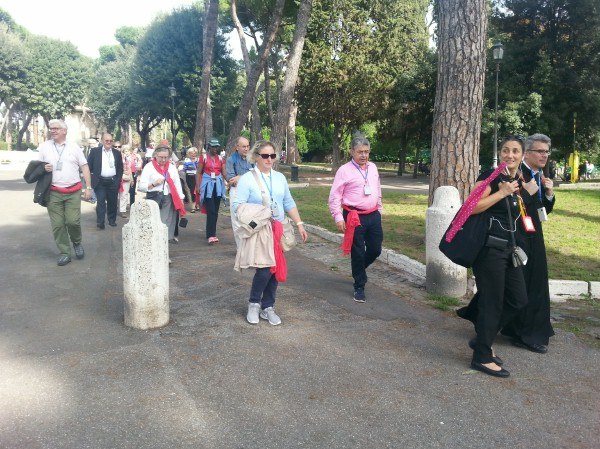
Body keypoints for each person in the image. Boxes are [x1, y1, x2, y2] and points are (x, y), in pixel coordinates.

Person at [457, 136, 529, 378]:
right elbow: (470, 207)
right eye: (506, 150)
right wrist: (501, 193)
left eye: (515, 151)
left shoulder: (517, 180)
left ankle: (483, 339)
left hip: (509, 249)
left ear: (522, 155)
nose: (510, 155)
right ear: (500, 153)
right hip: (489, 251)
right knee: (492, 303)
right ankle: (482, 357)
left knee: (518, 299)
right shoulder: (491, 177)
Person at [233, 140, 308, 326]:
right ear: (256, 157)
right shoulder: (247, 179)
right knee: (265, 269)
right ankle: (254, 304)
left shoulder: (280, 178)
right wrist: (260, 212)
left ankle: (268, 307)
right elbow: (237, 206)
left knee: (275, 269)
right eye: (265, 156)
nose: (269, 159)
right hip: (261, 229)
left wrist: (299, 224)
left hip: (278, 228)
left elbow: (288, 202)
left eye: (272, 156)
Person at [499, 133, 555, 353]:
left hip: (534, 234)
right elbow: (511, 205)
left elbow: (541, 209)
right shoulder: (517, 173)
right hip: (518, 235)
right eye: (540, 151)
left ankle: (528, 329)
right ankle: (522, 332)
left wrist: (549, 194)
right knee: (522, 284)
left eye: (546, 152)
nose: (544, 155)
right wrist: (529, 194)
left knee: (536, 282)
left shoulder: (539, 175)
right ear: (527, 153)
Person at [328, 136, 383, 303]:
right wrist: (338, 217)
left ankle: (358, 270)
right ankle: (359, 286)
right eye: (360, 152)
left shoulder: (373, 167)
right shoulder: (344, 170)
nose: (364, 155)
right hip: (354, 216)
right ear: (352, 152)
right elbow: (335, 196)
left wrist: (379, 208)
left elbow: (377, 188)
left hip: (373, 214)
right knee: (358, 252)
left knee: (375, 249)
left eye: (366, 152)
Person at [36, 119, 93, 266]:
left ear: (64, 131)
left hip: (73, 191)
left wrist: (88, 188)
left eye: (56, 128)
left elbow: (84, 167)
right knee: (58, 224)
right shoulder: (44, 147)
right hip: (53, 192)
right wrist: (43, 168)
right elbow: (36, 167)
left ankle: (76, 242)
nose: (52, 131)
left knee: (72, 221)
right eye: (51, 128)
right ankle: (64, 252)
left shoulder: (74, 147)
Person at [137, 144, 185, 243]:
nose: (164, 160)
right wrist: (154, 184)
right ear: (155, 155)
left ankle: (167, 240)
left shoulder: (171, 167)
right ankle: (157, 241)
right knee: (158, 220)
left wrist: (181, 198)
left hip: (170, 197)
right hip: (155, 197)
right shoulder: (149, 167)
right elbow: (141, 186)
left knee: (169, 220)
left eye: (166, 157)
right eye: (161, 157)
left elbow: (177, 184)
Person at [87, 133, 124, 229]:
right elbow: (89, 166)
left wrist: (117, 180)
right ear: (102, 141)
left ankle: (112, 220)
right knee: (101, 202)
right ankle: (100, 222)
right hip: (100, 182)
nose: (109, 142)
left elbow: (120, 168)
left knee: (113, 202)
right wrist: (91, 180)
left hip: (113, 182)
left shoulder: (117, 153)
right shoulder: (95, 151)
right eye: (107, 140)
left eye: (111, 141)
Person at [196, 138, 227, 244]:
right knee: (211, 210)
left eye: (216, 147)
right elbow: (198, 172)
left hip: (218, 186)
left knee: (215, 210)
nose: (215, 149)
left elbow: (224, 173)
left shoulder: (221, 158)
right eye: (213, 147)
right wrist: (198, 186)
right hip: (207, 185)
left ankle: (212, 233)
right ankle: (211, 235)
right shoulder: (203, 158)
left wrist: (231, 181)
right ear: (209, 146)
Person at [225, 136, 253, 246]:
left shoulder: (252, 159)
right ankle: (240, 247)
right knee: (237, 220)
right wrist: (248, 177)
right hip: (236, 192)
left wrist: (240, 177)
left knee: (250, 219)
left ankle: (250, 246)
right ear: (237, 147)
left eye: (248, 146)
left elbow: (257, 175)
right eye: (243, 146)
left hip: (250, 191)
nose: (246, 149)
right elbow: (232, 181)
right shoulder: (231, 160)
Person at [181, 147, 200, 212]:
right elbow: (184, 169)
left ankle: (196, 205)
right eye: (191, 153)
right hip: (189, 177)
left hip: (197, 177)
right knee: (191, 191)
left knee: (197, 191)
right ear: (189, 154)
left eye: (194, 153)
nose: (193, 155)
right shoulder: (186, 160)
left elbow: (200, 169)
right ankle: (193, 205)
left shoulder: (198, 160)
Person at [118, 144, 134, 218]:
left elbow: (130, 169)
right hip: (119, 178)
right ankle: (117, 208)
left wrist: (131, 179)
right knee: (119, 195)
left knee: (124, 195)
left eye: (128, 151)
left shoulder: (129, 159)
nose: (127, 153)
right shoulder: (119, 158)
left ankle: (122, 210)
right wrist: (123, 172)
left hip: (126, 179)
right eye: (125, 151)